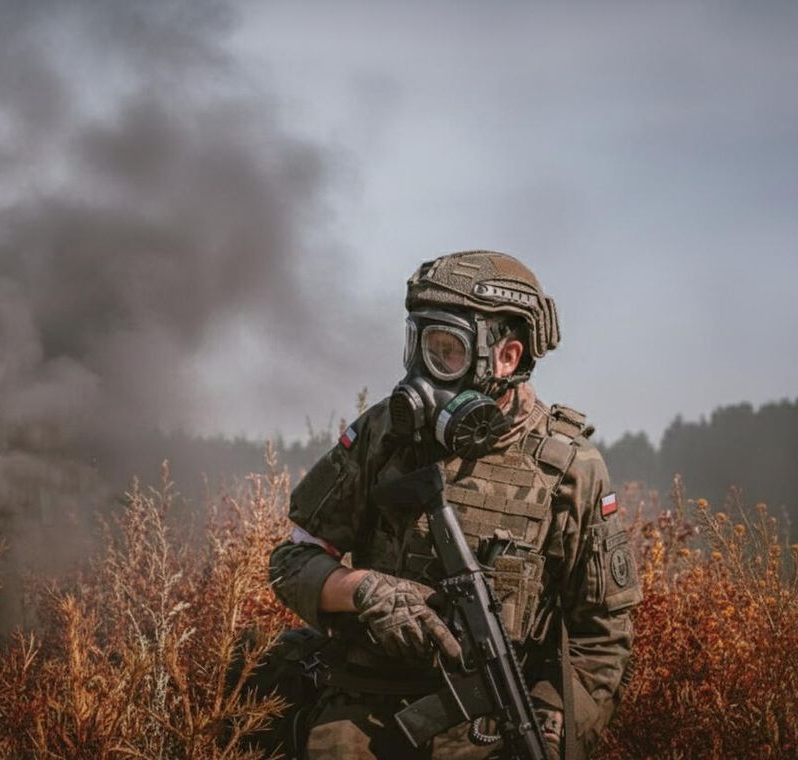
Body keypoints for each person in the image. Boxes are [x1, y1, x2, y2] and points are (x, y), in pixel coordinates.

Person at [267, 250, 641, 759]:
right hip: (364, 709)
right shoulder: (384, 434)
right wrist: (364, 590)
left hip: (493, 728)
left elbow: (602, 636)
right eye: (418, 346)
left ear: (506, 357)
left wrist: (553, 730)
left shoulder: (569, 467)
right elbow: (293, 560)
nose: (425, 369)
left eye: (447, 351)